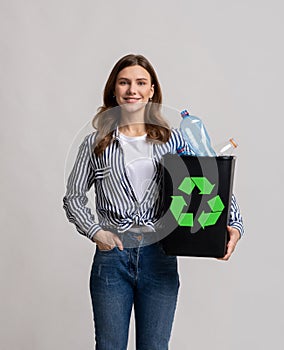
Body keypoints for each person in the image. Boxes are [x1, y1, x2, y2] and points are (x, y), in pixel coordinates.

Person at [63, 53, 244, 350]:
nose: (132, 89)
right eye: (124, 82)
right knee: (109, 346)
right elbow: (73, 197)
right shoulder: (96, 143)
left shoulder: (174, 141)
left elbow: (211, 179)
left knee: (155, 347)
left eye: (140, 83)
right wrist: (96, 232)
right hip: (112, 259)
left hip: (160, 254)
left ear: (151, 91)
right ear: (113, 90)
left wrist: (233, 224)